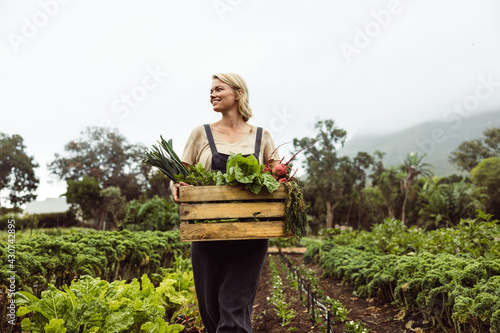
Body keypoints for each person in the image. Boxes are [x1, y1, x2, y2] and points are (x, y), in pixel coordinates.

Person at [171, 73, 280, 333]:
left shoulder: (262, 136)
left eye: (219, 89)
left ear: (238, 93)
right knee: (211, 311)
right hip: (207, 232)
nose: (212, 94)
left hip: (251, 235)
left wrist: (279, 173)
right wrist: (175, 187)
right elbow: (180, 177)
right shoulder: (200, 134)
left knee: (233, 310)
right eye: (210, 90)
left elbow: (277, 171)